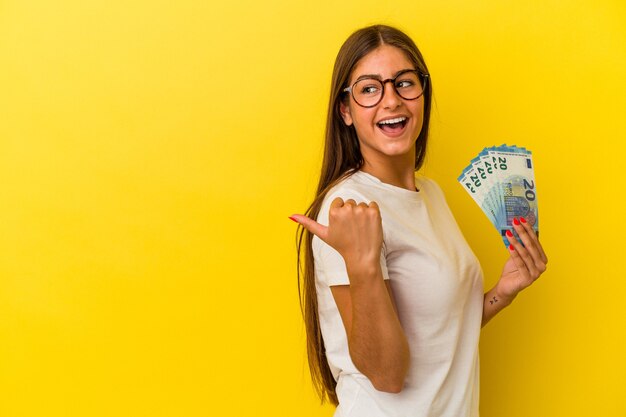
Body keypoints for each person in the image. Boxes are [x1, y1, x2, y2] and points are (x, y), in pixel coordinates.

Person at [290, 24, 548, 417]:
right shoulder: (348, 208)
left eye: (404, 83)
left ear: (423, 96)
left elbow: (439, 334)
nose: (391, 100)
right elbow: (387, 375)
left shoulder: (431, 194)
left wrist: (503, 292)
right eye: (370, 88)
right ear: (345, 110)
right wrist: (362, 266)